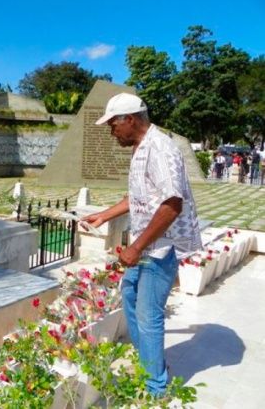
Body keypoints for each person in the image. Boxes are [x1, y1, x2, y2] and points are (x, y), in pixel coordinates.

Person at [83, 92, 202, 396]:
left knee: (149, 316)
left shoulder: (160, 149)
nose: (111, 132)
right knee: (130, 298)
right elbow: (138, 197)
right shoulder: (140, 148)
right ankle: (152, 363)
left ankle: (155, 389)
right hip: (146, 245)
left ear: (130, 120)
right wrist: (104, 215)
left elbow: (171, 205)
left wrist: (135, 248)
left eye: (113, 125)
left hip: (159, 248)